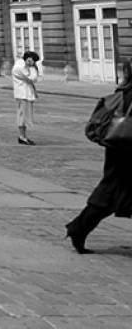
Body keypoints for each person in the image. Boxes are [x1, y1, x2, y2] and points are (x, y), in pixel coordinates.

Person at [65, 61, 132, 254]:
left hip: (117, 147)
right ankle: (78, 228)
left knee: (112, 192)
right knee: (110, 193)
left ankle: (78, 228)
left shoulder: (121, 92)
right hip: (126, 150)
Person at [11, 50, 41, 144]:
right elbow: (32, 78)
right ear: (28, 59)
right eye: (33, 61)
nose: (34, 63)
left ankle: (23, 136)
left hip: (26, 93)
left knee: (25, 115)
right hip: (22, 94)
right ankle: (22, 136)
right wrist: (33, 68)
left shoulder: (25, 66)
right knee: (22, 115)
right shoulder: (19, 67)